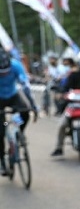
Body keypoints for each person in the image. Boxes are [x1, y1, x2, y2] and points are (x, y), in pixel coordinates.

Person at [0, 48, 38, 176]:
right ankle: (3, 163)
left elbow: (25, 87)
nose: (4, 75)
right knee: (0, 132)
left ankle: (19, 133)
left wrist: (33, 106)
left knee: (25, 112)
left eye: (6, 72)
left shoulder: (16, 65)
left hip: (13, 95)